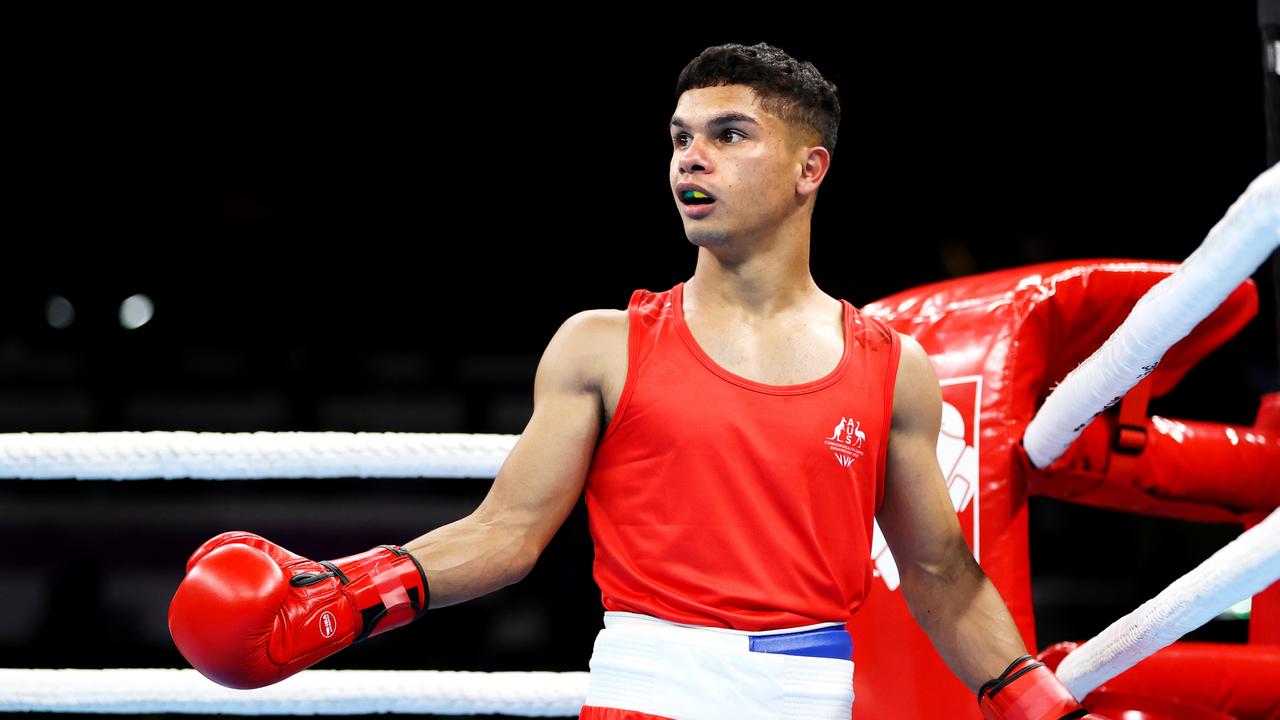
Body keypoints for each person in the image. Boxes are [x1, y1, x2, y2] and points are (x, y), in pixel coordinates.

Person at [168, 42, 1106, 720]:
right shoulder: (602, 344)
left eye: (729, 135)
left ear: (808, 168)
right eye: (680, 136)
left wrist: (1023, 691)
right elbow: (507, 533)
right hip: (647, 689)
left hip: (811, 692)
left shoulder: (890, 367)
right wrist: (357, 590)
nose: (690, 157)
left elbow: (939, 573)